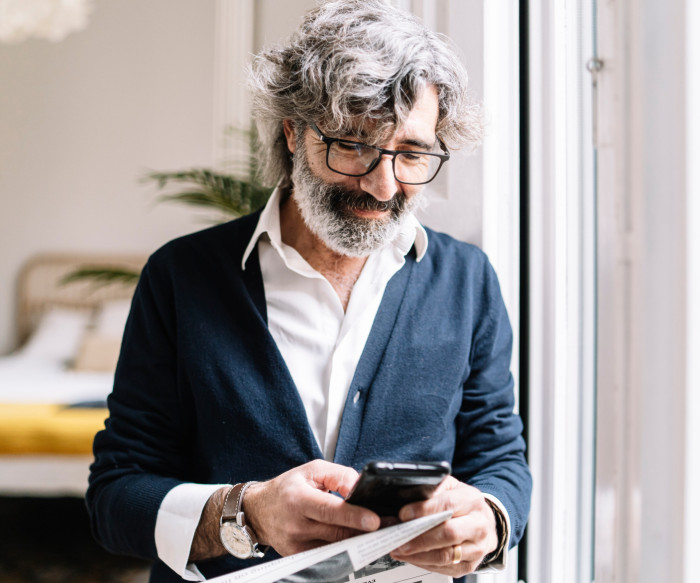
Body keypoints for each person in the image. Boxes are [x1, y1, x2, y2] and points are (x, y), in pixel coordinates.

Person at [86, 1, 532, 582]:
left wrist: (490, 521)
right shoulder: (181, 278)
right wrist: (242, 515)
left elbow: (500, 462)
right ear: (294, 132)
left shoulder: (468, 280)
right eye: (353, 145)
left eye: (412, 153)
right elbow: (117, 497)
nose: (382, 183)